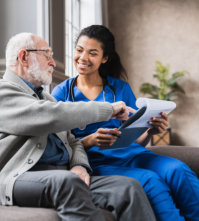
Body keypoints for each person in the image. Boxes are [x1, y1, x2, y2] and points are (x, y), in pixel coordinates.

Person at [0, 32, 157, 221]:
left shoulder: (46, 98)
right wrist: (109, 109)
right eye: (47, 55)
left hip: (60, 175)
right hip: (15, 178)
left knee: (129, 187)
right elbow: (49, 116)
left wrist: (79, 165)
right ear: (23, 57)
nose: (53, 63)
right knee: (68, 182)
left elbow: (72, 141)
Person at [52, 25, 199, 221]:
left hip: (132, 154)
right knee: (150, 181)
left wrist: (150, 131)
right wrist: (91, 140)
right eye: (79, 50)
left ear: (105, 58)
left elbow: (135, 139)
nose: (83, 57)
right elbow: (57, 144)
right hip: (97, 162)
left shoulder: (119, 88)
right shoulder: (61, 94)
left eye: (92, 53)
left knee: (178, 170)